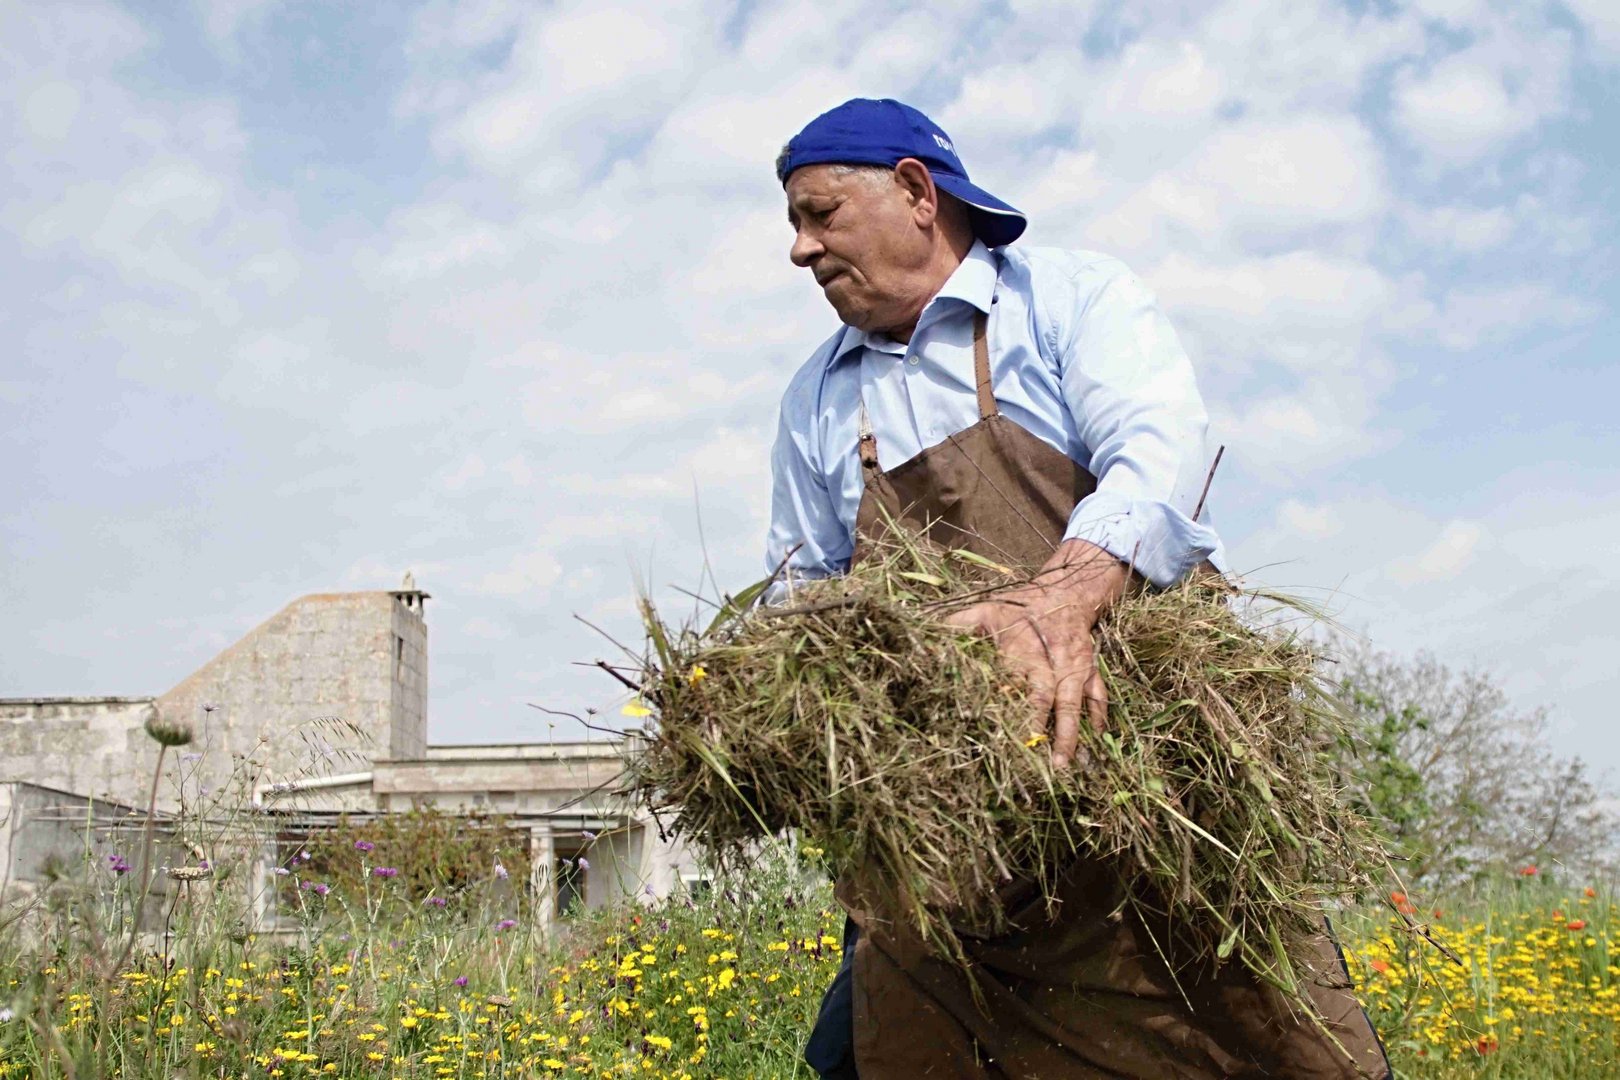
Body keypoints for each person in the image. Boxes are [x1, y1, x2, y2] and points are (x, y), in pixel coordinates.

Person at [765, 98, 1392, 1079]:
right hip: (950, 827)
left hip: (1135, 781)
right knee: (882, 1049)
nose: (800, 249)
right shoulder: (817, 397)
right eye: (796, 224)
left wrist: (1058, 600)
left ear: (917, 193)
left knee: (1273, 1038)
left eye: (819, 214)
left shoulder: (1065, 299)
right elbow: (802, 587)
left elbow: (1154, 450)